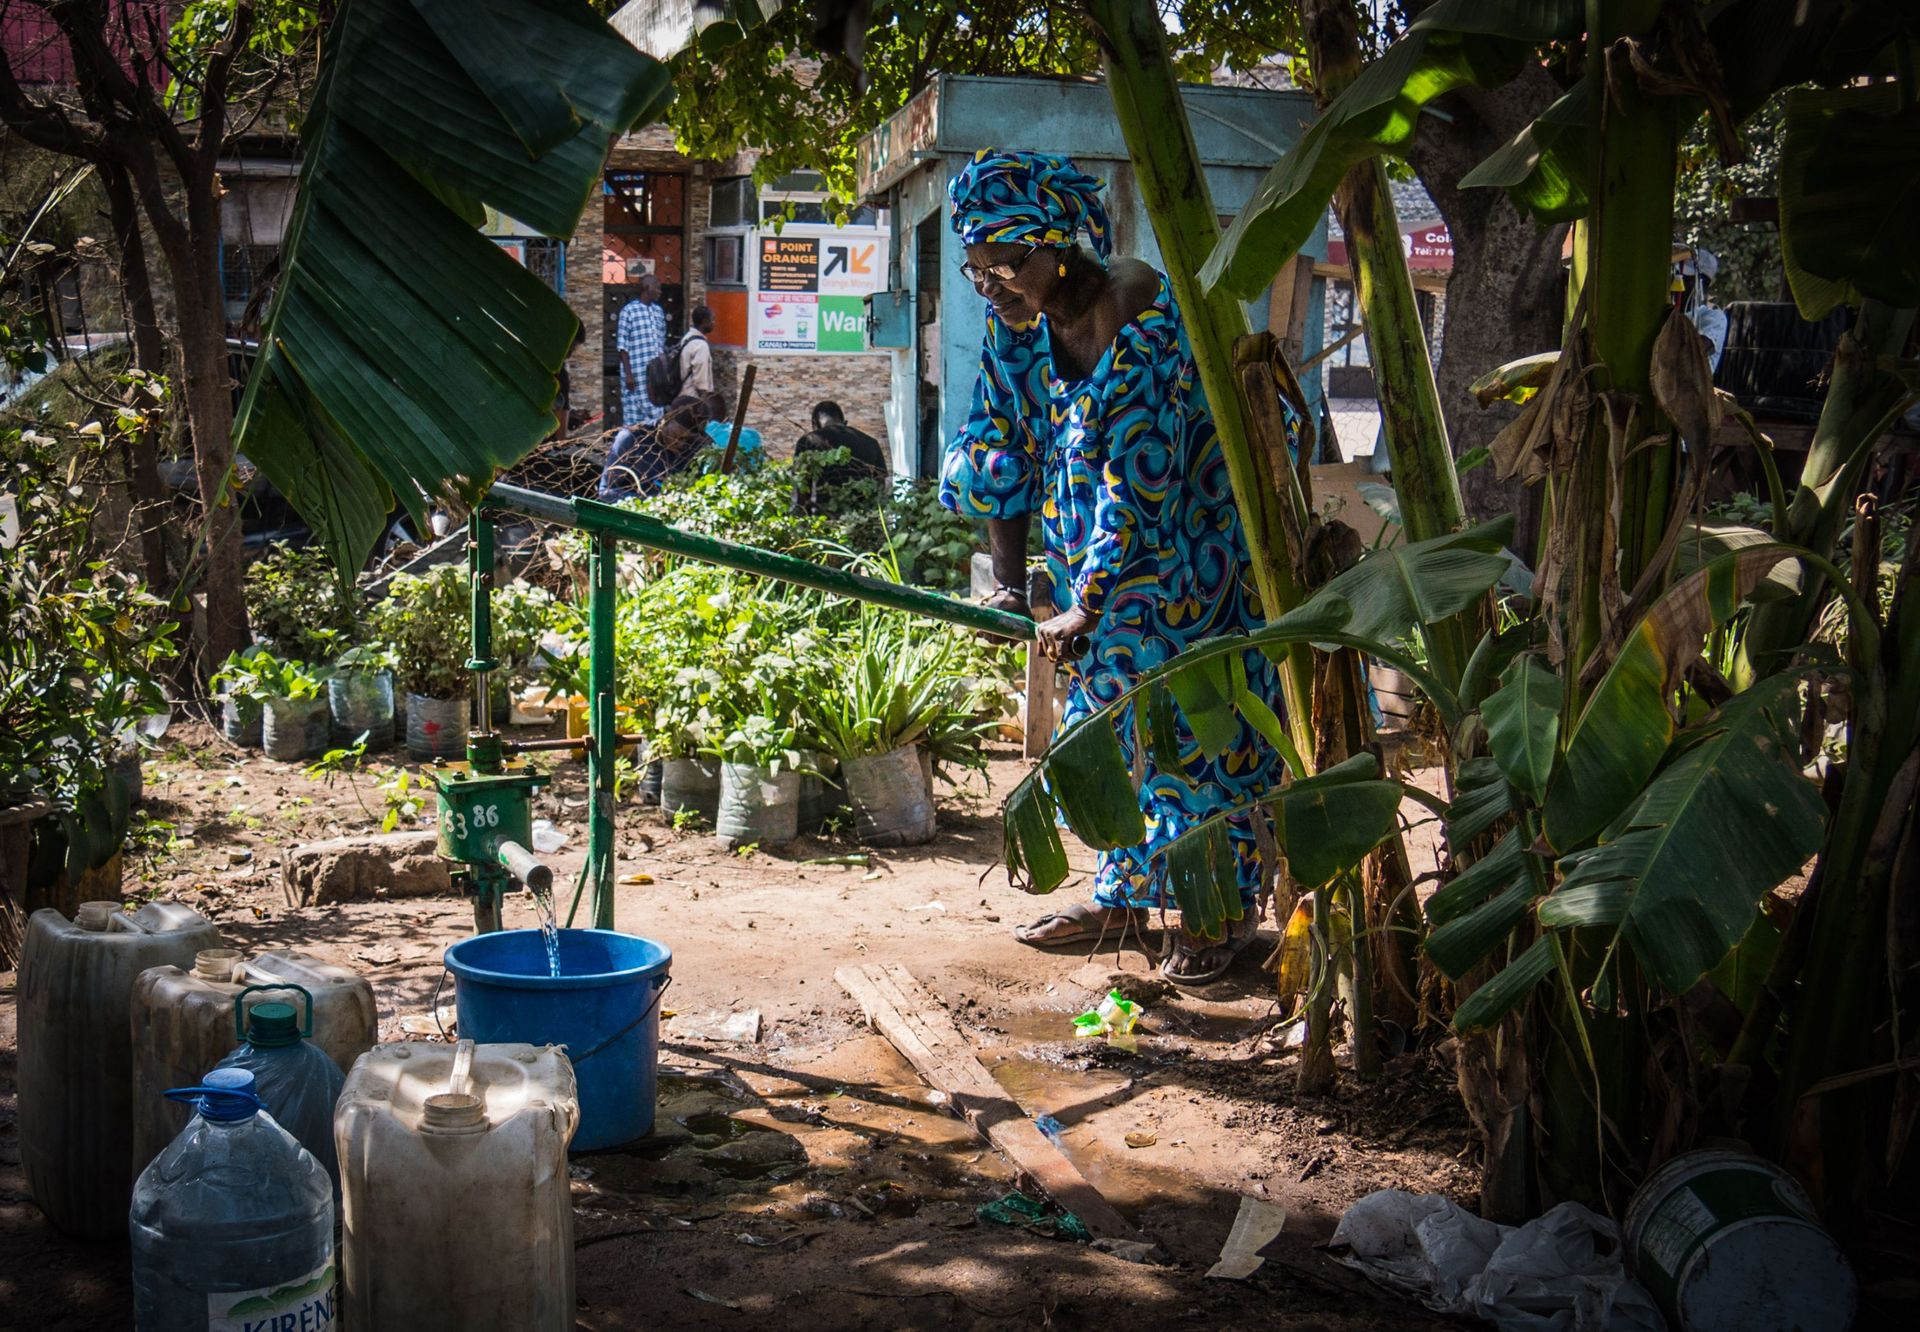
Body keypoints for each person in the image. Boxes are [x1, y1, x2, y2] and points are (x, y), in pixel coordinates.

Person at [942, 148, 1288, 987]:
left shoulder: (1142, 313)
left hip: (1188, 565)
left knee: (1199, 739)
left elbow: (1142, 481)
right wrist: (1019, 585)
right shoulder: (1016, 325)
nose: (992, 284)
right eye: (976, 268)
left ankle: (1221, 914)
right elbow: (1004, 448)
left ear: (1061, 242)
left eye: (1007, 263)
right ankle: (1125, 897)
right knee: (1110, 734)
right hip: (1095, 575)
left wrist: (1086, 606)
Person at [597, 393, 715, 501]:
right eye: (677, 437)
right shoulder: (633, 438)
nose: (682, 444)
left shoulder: (698, 447)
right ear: (666, 420)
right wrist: (651, 502)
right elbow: (605, 491)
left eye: (688, 440)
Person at [792, 400, 886, 513]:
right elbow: (880, 488)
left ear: (815, 425)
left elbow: (802, 492)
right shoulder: (871, 443)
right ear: (844, 422)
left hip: (824, 521)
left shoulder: (809, 441)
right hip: (864, 520)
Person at [616, 275, 668, 426]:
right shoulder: (628, 311)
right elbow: (622, 346)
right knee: (634, 422)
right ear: (647, 288)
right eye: (657, 288)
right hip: (636, 376)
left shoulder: (658, 312)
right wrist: (629, 375)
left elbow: (661, 343)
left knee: (656, 420)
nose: (660, 291)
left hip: (655, 377)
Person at [679, 304, 718, 415]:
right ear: (705, 321)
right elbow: (700, 381)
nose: (714, 323)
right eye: (712, 320)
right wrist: (705, 406)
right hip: (693, 401)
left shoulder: (687, 338)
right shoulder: (700, 346)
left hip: (682, 397)